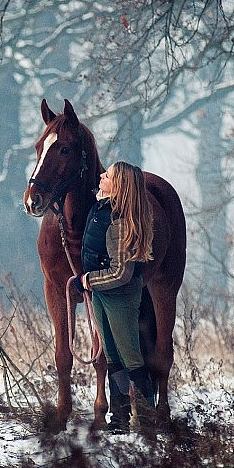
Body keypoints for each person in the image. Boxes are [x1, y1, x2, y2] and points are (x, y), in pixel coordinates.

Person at [73, 161, 155, 435]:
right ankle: (119, 420)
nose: (101, 176)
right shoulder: (102, 209)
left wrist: (87, 280)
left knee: (131, 358)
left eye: (106, 176)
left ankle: (147, 422)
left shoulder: (119, 222)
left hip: (118, 295)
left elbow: (120, 273)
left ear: (117, 187)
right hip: (101, 294)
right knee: (112, 357)